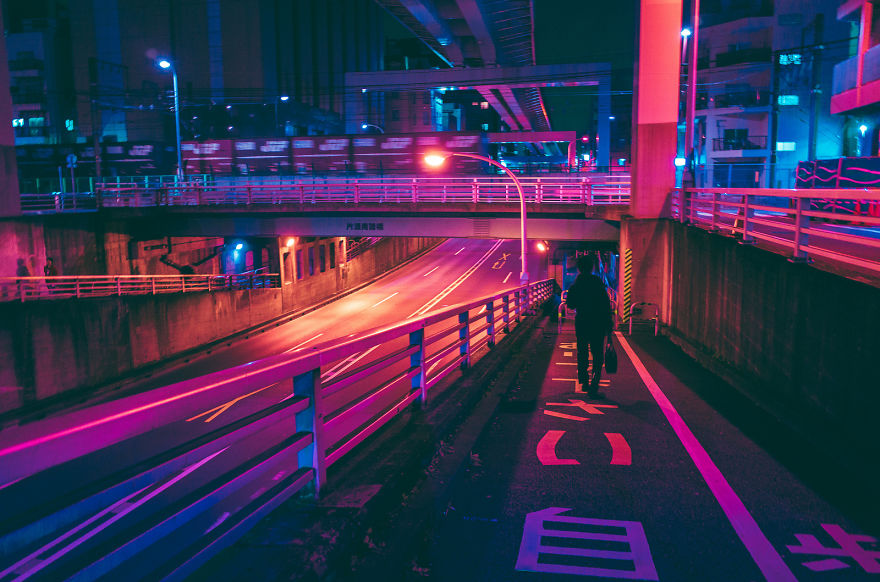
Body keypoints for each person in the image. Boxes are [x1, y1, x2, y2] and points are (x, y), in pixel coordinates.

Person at [565, 254, 613, 398]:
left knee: (582, 352)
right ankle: (595, 382)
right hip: (598, 322)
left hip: (582, 322)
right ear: (592, 267)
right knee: (597, 352)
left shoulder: (576, 285)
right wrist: (609, 325)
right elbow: (606, 304)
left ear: (579, 268)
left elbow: (570, 304)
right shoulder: (598, 284)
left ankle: (584, 381)